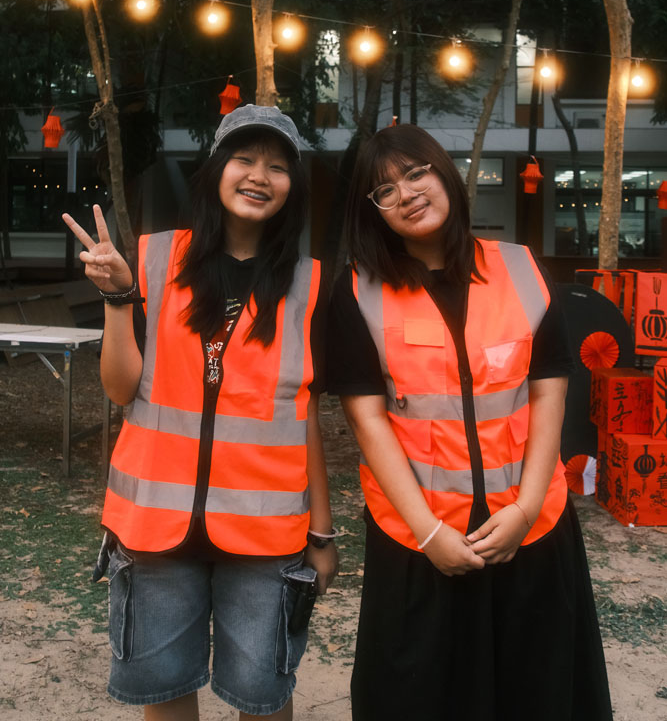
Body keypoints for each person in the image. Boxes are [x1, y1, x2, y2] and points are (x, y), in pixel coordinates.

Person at [328, 123, 612, 721]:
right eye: (385, 190)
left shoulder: (521, 269)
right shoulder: (357, 291)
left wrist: (526, 510)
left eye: (416, 173)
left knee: (535, 692)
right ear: (372, 209)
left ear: (445, 174)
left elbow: (549, 394)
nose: (407, 194)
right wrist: (429, 535)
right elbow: (368, 420)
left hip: (530, 530)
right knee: (423, 697)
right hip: (419, 540)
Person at [63, 104, 338, 721]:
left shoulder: (310, 285)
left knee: (263, 695)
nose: (259, 176)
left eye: (277, 166)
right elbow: (121, 389)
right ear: (216, 170)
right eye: (244, 159)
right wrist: (118, 298)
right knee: (163, 690)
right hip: (154, 526)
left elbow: (306, 417)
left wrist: (321, 534)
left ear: (292, 187)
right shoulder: (156, 260)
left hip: (265, 536)